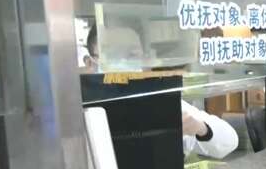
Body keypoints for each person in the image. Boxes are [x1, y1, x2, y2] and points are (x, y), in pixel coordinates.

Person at [85, 25, 238, 160]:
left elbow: (229, 141)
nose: (124, 61)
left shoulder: (157, 102)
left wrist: (201, 128)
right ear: (90, 63)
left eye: (132, 54)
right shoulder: (81, 113)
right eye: (113, 54)